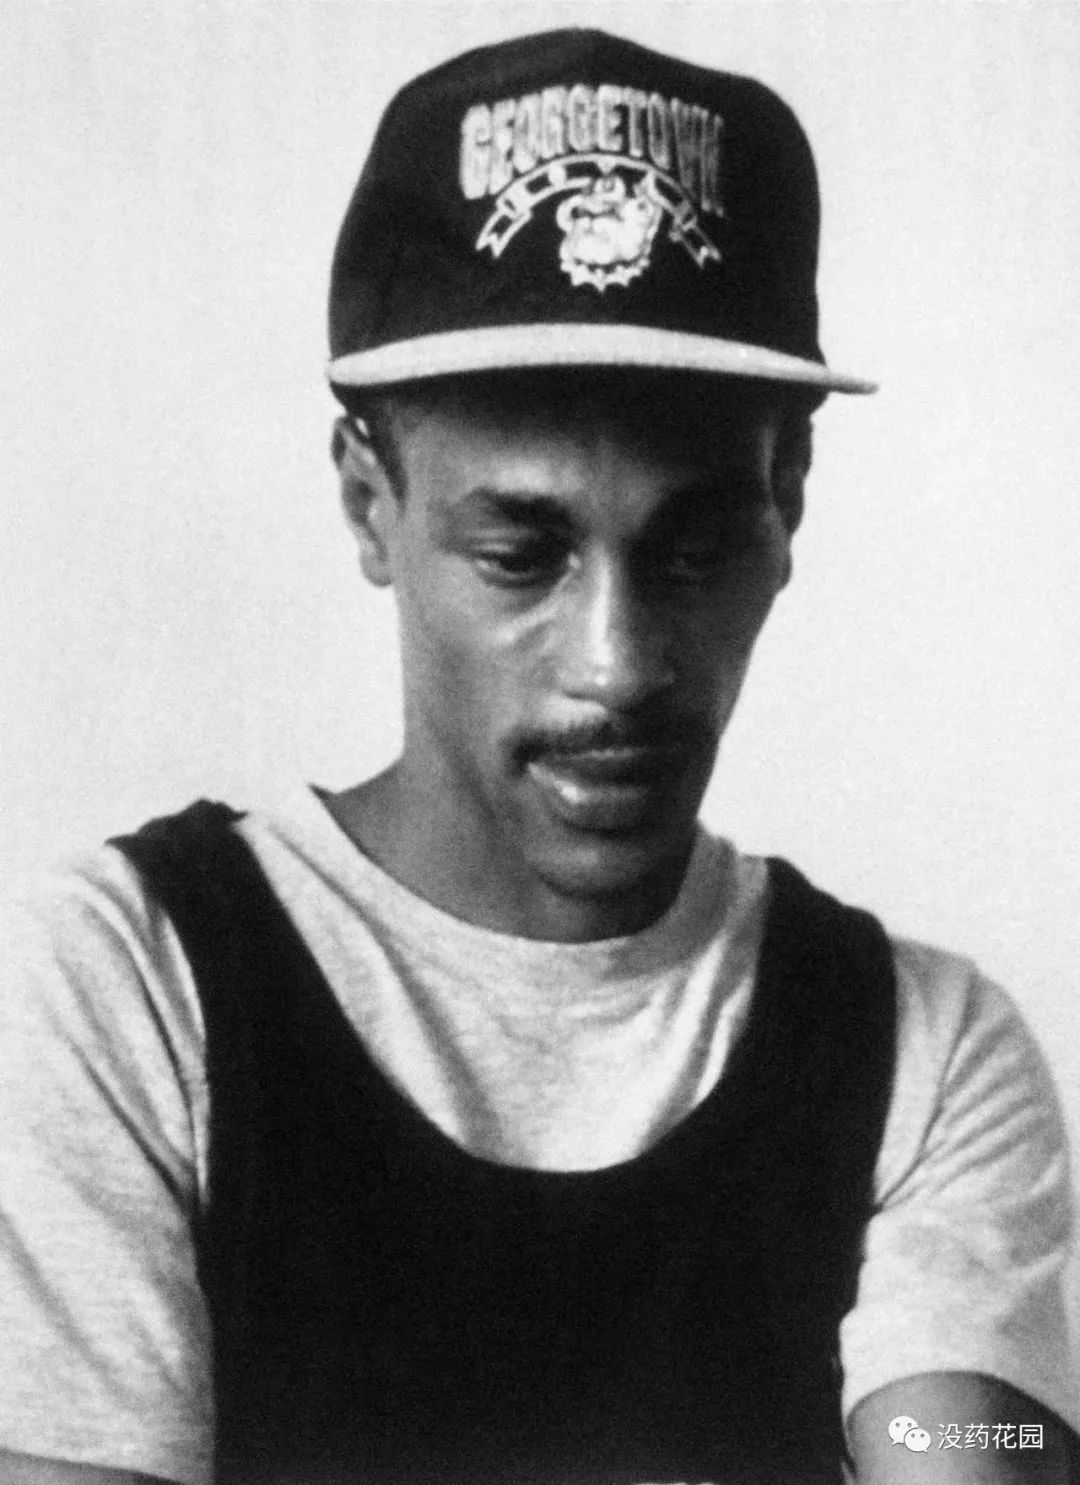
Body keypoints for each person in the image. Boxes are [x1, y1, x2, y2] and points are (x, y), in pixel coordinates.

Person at [0, 26, 1076, 1485]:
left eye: (693, 549)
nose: (617, 664)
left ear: (790, 501)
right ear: (369, 502)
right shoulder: (126, 985)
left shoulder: (927, 1054)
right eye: (521, 553)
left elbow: (969, 1450)